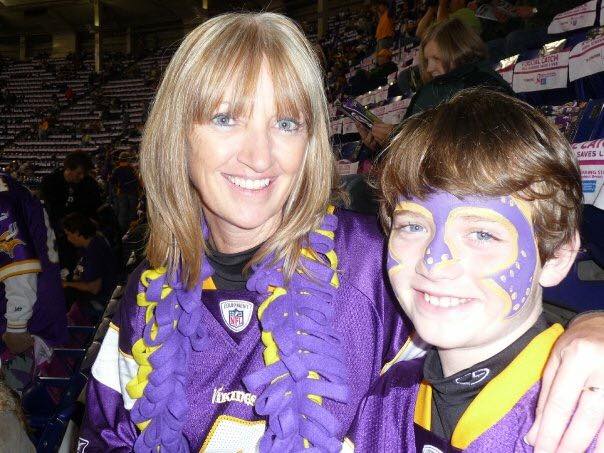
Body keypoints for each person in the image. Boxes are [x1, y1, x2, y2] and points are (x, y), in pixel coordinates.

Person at [79, 12, 604, 453]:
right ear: (177, 135)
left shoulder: (378, 261)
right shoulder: (145, 302)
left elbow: (497, 310)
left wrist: (592, 325)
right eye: (225, 118)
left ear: (311, 141)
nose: (258, 155)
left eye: (287, 123)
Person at [347, 89, 600, 452]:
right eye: (413, 227)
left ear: (557, 257)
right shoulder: (384, 395)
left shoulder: (588, 415)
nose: (434, 262)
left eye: (482, 233)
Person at [358, 18, 513, 153]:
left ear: (457, 52)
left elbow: (456, 152)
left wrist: (396, 139)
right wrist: (383, 144)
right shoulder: (479, 79)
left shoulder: (468, 87)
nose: (430, 68)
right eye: (427, 60)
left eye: (436, 59)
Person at [0, 173, 67, 390]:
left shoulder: (3, 199)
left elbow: (19, 268)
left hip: (28, 322)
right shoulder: (12, 189)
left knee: (13, 406)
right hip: (39, 309)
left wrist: (16, 327)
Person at [62, 213, 117, 322]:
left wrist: (66, 284)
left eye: (68, 234)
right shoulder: (90, 244)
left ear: (77, 233)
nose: (68, 239)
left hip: (98, 302)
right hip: (88, 299)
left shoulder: (95, 250)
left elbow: (94, 288)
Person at [40, 150, 102, 231]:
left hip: (83, 232)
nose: (82, 177)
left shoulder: (90, 183)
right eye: (79, 173)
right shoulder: (50, 182)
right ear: (68, 169)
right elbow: (51, 211)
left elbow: (95, 209)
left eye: (85, 173)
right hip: (57, 232)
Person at [109, 151, 140, 233]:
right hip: (132, 193)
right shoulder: (132, 169)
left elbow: (112, 182)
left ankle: (121, 231)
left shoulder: (116, 170)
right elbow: (138, 181)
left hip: (122, 193)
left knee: (122, 212)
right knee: (132, 212)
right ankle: (131, 231)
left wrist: (117, 189)